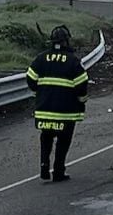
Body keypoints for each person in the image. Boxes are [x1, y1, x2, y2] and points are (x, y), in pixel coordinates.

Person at [26, 25, 89, 182]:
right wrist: (82, 101)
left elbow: (30, 78)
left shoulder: (41, 58)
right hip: (65, 112)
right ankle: (58, 171)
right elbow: (82, 85)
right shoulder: (73, 61)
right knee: (63, 140)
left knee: (46, 138)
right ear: (66, 41)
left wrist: (38, 94)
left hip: (44, 110)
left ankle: (44, 167)